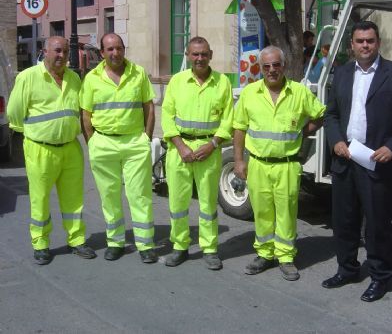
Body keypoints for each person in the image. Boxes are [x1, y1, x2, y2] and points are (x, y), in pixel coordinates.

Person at [322, 21, 392, 302]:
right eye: (359, 41)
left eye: (370, 40)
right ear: (351, 45)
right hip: (345, 158)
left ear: (378, 43)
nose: (365, 45)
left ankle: (380, 276)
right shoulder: (341, 73)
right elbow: (330, 115)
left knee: (377, 224)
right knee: (344, 220)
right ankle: (347, 269)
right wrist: (336, 140)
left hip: (376, 161)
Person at [233, 46, 325, 281]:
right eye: (267, 66)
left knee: (286, 212)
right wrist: (238, 160)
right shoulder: (249, 93)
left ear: (283, 66)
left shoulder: (299, 92)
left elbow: (320, 115)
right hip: (258, 164)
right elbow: (239, 128)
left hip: (287, 165)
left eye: (276, 65)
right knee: (262, 212)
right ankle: (264, 254)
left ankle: (285, 257)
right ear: (261, 68)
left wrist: (302, 133)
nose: (272, 70)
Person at [7, 36, 96, 265]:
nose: (61, 56)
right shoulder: (28, 77)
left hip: (70, 148)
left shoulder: (74, 78)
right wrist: (33, 135)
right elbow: (15, 113)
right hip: (40, 149)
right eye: (57, 51)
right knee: (41, 199)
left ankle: (76, 240)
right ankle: (41, 244)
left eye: (65, 52)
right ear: (44, 51)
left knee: (74, 199)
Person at [80, 33, 157, 264]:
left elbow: (149, 108)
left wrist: (146, 138)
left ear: (124, 49)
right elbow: (86, 115)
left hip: (134, 142)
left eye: (119, 48)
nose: (115, 53)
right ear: (102, 53)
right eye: (110, 49)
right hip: (103, 143)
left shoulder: (138, 73)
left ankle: (145, 244)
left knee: (139, 195)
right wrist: (92, 142)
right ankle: (115, 242)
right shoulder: (92, 78)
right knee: (109, 195)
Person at [161, 36, 233, 270]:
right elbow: (167, 116)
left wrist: (212, 144)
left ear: (210, 55)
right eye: (195, 54)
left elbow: (228, 119)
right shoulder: (177, 82)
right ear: (187, 55)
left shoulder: (222, 83)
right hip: (179, 151)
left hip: (208, 151)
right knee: (178, 203)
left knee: (208, 204)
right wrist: (181, 146)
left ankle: (210, 248)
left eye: (204, 54)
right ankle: (179, 246)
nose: (199, 58)